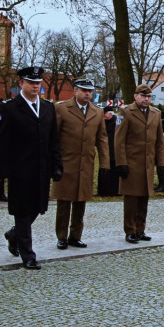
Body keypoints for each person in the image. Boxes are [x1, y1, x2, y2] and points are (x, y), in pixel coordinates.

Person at [0, 66, 63, 270]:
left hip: (42, 167)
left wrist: (57, 164)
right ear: (21, 84)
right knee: (23, 211)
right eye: (30, 82)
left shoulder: (48, 107)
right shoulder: (10, 107)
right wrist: (0, 171)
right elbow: (2, 140)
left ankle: (14, 234)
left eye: (37, 83)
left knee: (37, 208)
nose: (34, 86)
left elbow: (53, 140)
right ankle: (28, 254)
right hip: (20, 169)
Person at [53, 79, 109, 250]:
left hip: (86, 163)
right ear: (75, 91)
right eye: (84, 90)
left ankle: (75, 236)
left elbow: (102, 138)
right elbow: (53, 137)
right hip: (66, 163)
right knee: (64, 202)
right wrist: (53, 161)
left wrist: (105, 164)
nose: (87, 94)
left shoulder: (97, 112)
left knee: (81, 201)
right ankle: (61, 236)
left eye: (90, 91)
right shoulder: (62, 108)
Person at [115, 84, 164, 243]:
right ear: (136, 96)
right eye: (143, 96)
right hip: (131, 163)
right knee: (131, 199)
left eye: (149, 97)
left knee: (144, 197)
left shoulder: (155, 113)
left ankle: (140, 229)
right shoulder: (125, 112)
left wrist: (161, 162)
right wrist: (121, 163)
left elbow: (159, 140)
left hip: (148, 164)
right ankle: (130, 230)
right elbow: (119, 140)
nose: (146, 99)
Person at [97, 104, 121, 197]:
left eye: (105, 114)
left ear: (109, 114)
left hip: (114, 150)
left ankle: (114, 190)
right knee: (104, 169)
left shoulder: (116, 122)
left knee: (114, 171)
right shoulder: (105, 122)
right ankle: (104, 191)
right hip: (106, 150)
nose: (103, 116)